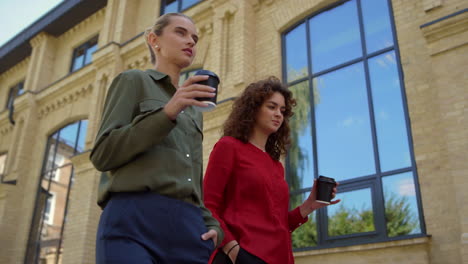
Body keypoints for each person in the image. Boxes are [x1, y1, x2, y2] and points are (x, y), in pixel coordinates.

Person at [90, 13, 223, 264]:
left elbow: (192, 177)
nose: (191, 41)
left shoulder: (194, 109)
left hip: (189, 228)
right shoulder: (133, 81)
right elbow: (103, 154)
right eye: (181, 32)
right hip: (133, 220)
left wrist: (212, 225)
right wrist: (167, 112)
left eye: (194, 37)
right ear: (154, 40)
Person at [203, 77, 340, 264]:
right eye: (271, 107)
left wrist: (309, 205)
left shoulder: (276, 166)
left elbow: (278, 226)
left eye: (282, 110)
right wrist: (233, 249)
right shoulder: (228, 147)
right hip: (240, 256)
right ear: (253, 109)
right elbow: (208, 205)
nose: (278, 114)